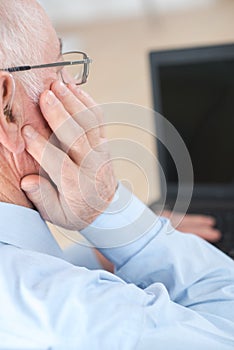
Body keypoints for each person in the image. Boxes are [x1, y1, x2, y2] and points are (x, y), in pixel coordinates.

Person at [0, 1, 233, 349]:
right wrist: (123, 223)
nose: (76, 88)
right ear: (6, 106)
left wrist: (98, 255)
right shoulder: (83, 317)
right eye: (60, 66)